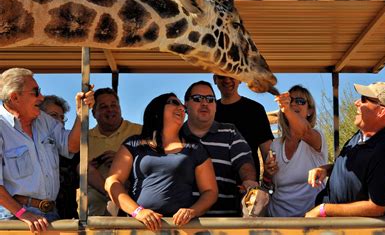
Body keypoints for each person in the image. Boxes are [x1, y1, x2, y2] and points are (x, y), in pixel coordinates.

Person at [0, 68, 94, 233]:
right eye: (35, 92)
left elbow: (71, 146)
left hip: (48, 215)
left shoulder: (44, 121)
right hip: (13, 218)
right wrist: (23, 214)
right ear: (15, 97)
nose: (41, 98)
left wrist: (81, 113)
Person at [105, 93, 217, 231]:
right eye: (174, 102)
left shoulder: (195, 148)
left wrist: (192, 211)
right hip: (139, 227)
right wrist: (137, 212)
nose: (181, 108)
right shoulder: (134, 144)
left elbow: (210, 191)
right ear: (156, 109)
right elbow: (112, 182)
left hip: (181, 229)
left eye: (182, 105)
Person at [306, 82, 385, 218]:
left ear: (381, 111)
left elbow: (377, 206)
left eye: (364, 99)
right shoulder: (362, 135)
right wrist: (326, 169)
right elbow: (357, 169)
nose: (356, 102)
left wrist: (324, 210)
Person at [182, 81, 259, 216]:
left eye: (210, 99)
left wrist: (248, 181)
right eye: (198, 98)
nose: (205, 103)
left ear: (215, 107)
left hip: (223, 221)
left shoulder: (230, 132)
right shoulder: (175, 134)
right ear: (186, 104)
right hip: (180, 222)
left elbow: (244, 162)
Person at [263, 85, 328, 217]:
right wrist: (268, 174)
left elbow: (304, 131)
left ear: (309, 110)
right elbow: (268, 185)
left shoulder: (316, 137)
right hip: (277, 220)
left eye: (300, 101)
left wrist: (287, 109)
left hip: (310, 222)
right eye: (290, 100)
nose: (294, 104)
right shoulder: (275, 145)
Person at [87, 87, 142, 216]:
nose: (110, 109)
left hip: (132, 192)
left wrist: (121, 160)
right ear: (94, 113)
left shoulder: (139, 132)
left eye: (114, 105)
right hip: (96, 200)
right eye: (103, 106)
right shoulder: (85, 138)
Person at [213, 75, 274, 179]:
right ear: (215, 79)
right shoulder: (209, 111)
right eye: (222, 76)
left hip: (247, 186)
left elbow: (267, 152)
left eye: (232, 76)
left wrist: (267, 181)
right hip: (214, 185)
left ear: (240, 79)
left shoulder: (255, 109)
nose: (227, 80)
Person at [40, 95, 78, 219]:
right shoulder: (30, 142)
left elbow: (87, 170)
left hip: (66, 217)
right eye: (53, 116)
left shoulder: (71, 145)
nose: (59, 121)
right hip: (35, 216)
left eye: (62, 117)